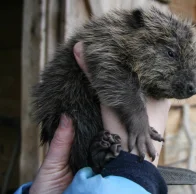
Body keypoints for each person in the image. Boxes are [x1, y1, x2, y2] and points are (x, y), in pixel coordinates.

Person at [14, 42, 170, 194]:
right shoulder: (113, 46)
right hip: (79, 124)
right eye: (170, 53)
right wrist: (134, 172)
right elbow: (98, 58)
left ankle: (102, 159)